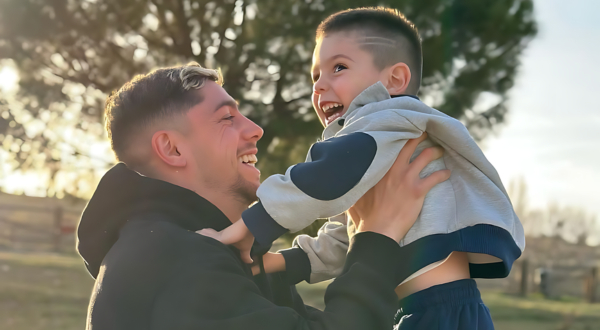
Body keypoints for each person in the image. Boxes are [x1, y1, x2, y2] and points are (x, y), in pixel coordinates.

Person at [201, 7, 525, 329]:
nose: (318, 87)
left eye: (338, 68)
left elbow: (324, 174)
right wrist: (279, 263)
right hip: (420, 309)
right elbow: (347, 237)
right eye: (315, 76)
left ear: (394, 79)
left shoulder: (392, 118)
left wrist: (248, 229)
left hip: (441, 310)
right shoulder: (375, 155)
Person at [75, 62, 450, 330]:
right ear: (172, 150)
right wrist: (377, 236)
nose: (255, 130)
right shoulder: (174, 259)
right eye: (227, 118)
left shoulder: (215, 251)